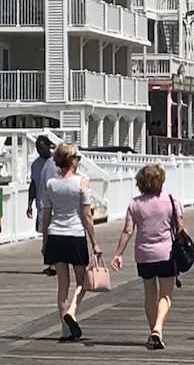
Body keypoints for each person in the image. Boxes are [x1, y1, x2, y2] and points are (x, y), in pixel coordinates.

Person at [111, 164, 185, 350]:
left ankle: (153, 331)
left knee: (149, 294)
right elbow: (181, 228)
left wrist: (118, 254)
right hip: (166, 253)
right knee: (165, 296)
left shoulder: (134, 204)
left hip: (143, 254)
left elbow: (127, 231)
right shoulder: (171, 200)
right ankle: (158, 329)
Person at [42, 143, 101, 341]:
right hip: (75, 235)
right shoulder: (82, 183)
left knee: (62, 285)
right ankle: (72, 311)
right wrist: (95, 243)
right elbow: (86, 216)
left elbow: (46, 216)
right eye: (77, 157)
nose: (78, 160)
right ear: (71, 160)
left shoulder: (51, 184)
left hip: (55, 236)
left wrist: (45, 241)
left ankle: (65, 330)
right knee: (82, 282)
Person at [28, 135, 59, 276]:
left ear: (48, 146)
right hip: (42, 205)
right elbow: (33, 184)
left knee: (54, 235)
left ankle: (54, 264)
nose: (40, 150)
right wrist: (29, 204)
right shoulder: (35, 164)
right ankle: (51, 263)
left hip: (57, 205)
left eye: (42, 147)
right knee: (46, 236)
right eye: (37, 148)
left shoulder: (58, 161)